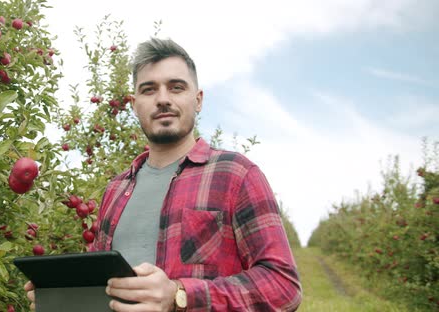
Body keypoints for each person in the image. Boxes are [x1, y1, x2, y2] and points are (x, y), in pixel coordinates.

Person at [25, 38, 302, 311]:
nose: (163, 99)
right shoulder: (116, 190)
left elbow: (283, 287)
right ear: (134, 104)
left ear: (198, 99)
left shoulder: (236, 174)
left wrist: (179, 295)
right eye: (149, 90)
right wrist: (64, 296)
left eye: (176, 87)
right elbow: (105, 289)